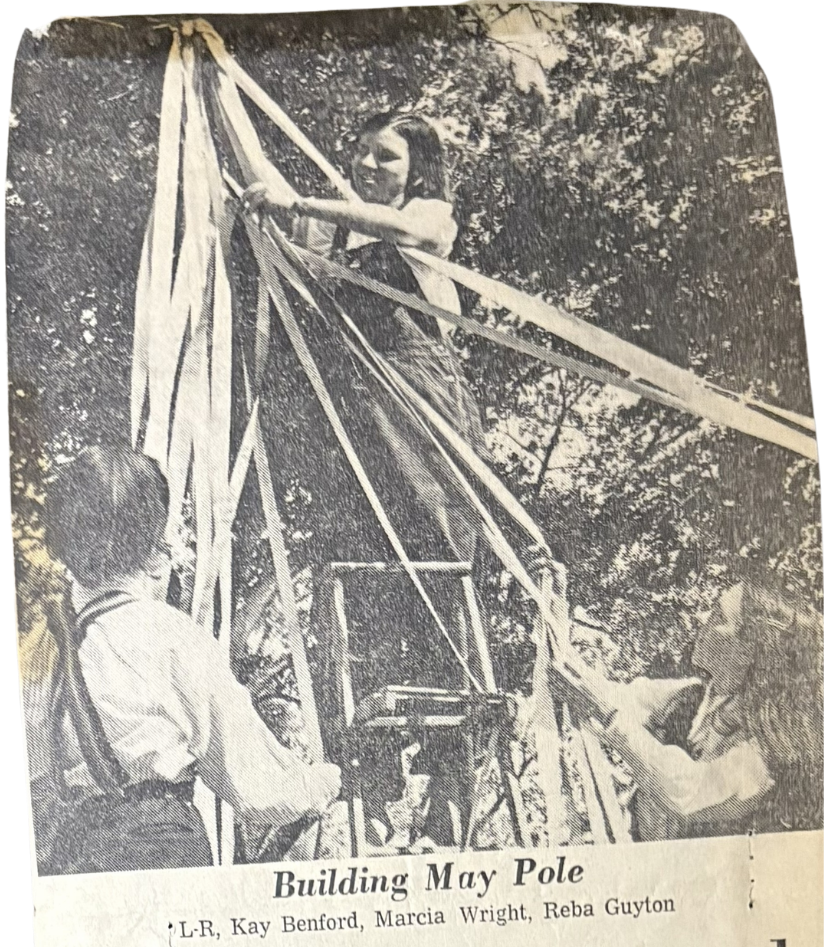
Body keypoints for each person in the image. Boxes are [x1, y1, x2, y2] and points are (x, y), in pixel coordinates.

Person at [42, 444, 341, 874]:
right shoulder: (172, 636)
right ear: (154, 552)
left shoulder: (45, 645)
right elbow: (254, 783)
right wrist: (319, 785)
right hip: (158, 847)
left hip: (68, 853)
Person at [551, 579, 820, 841]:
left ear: (747, 649)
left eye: (718, 615)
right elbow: (623, 698)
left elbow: (688, 792)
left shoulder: (766, 751)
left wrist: (609, 716)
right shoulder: (697, 697)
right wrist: (561, 642)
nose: (702, 618)